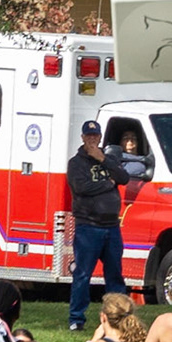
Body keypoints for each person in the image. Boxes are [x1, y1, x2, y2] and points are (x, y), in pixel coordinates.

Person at [66, 119, 126, 331]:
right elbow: (82, 188)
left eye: (95, 136)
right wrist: (108, 184)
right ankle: (76, 319)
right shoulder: (76, 163)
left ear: (100, 137)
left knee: (115, 274)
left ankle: (119, 317)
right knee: (83, 274)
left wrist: (103, 160)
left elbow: (124, 178)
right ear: (82, 137)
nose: (92, 139)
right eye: (88, 136)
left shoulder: (108, 159)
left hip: (112, 227)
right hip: (88, 227)